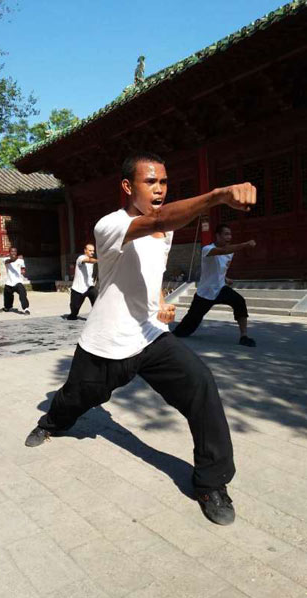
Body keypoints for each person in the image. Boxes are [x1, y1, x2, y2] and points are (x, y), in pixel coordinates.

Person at [25, 152, 256, 526]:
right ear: (128, 187)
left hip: (149, 336)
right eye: (151, 182)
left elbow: (151, 268)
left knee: (201, 386)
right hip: (107, 340)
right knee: (77, 397)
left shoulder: (166, 231)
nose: (160, 189)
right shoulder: (109, 225)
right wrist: (215, 196)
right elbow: (158, 219)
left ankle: (211, 483)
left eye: (164, 182)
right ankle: (51, 423)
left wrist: (161, 301)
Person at [173, 224, 256, 346]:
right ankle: (174, 333)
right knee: (186, 328)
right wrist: (245, 245)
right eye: (226, 234)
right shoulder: (207, 249)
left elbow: (220, 269)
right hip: (205, 292)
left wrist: (225, 278)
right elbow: (222, 251)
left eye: (230, 234)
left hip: (221, 289)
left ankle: (244, 336)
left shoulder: (230, 253)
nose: (229, 237)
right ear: (217, 236)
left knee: (239, 301)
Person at [66, 244, 98, 320]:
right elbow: (88, 261)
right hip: (78, 289)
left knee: (97, 302)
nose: (92, 252)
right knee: (74, 312)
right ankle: (72, 315)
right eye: (90, 250)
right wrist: (98, 260)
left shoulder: (92, 261)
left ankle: (98, 317)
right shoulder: (81, 258)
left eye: (93, 251)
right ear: (85, 250)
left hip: (89, 287)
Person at [0, 247, 30, 315]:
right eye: (12, 251)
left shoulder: (21, 260)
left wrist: (23, 271)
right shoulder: (6, 260)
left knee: (23, 294)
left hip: (18, 282)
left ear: (16, 252)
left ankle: (26, 309)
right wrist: (18, 257)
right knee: (7, 296)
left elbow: (23, 268)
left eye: (15, 251)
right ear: (9, 253)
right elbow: (11, 260)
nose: (13, 253)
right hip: (9, 282)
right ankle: (7, 307)